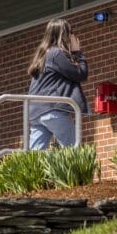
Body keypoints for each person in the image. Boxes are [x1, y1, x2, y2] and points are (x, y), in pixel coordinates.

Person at [27, 18, 89, 150]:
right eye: (70, 32)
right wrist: (78, 52)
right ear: (64, 35)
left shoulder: (42, 56)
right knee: (74, 152)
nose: (72, 36)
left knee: (34, 158)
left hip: (36, 113)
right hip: (52, 110)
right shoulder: (56, 53)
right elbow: (80, 74)